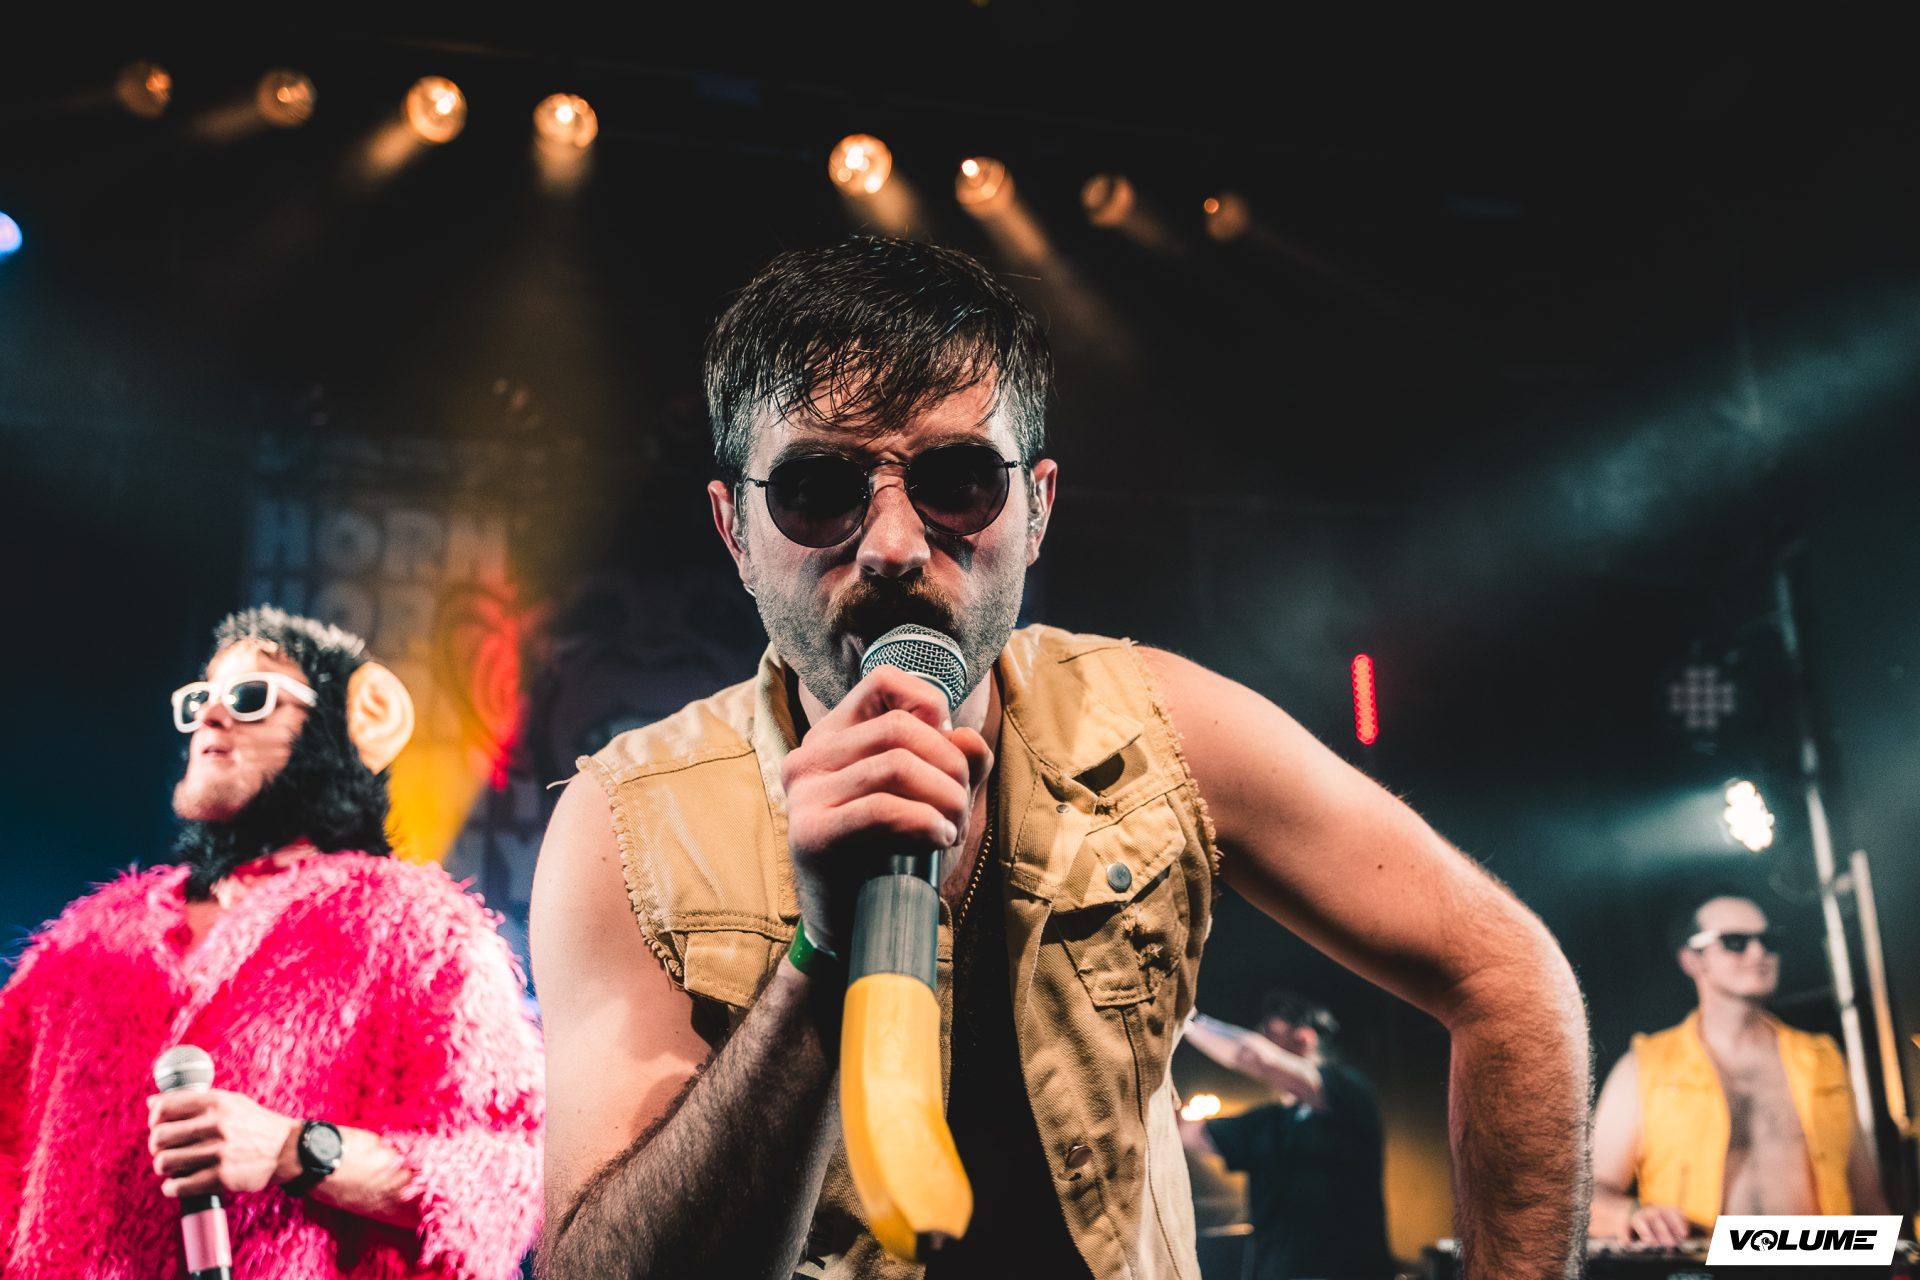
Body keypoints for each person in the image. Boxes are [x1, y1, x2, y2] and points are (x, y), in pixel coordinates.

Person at [531, 234, 1590, 1280]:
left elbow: (1508, 976)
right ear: (734, 530)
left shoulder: (1162, 725)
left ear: (1036, 508)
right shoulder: (628, 823)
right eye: (817, 489)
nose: (894, 544)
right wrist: (820, 962)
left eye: (956, 479)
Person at [0, 607, 544, 1279]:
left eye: (251, 696)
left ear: (339, 728)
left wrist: (296, 1150)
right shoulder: (87, 940)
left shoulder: (418, 928)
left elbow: (506, 1167)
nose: (210, 715)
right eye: (199, 699)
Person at [1589, 892, 1891, 1244]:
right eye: (1735, 942)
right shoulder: (1645, 1066)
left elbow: (1869, 1201)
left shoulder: (1821, 1059)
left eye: (1768, 940)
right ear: (1692, 960)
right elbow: (1587, 1196)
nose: (1758, 953)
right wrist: (1632, 1215)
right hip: (1701, 1261)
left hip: (1818, 1259)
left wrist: (1898, 1264)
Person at [1178, 993, 1394, 1280]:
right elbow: (1184, 1132)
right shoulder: (1267, 1123)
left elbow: (1255, 1057)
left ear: (1303, 1037)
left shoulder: (1350, 1092)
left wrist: (1187, 1021)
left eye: (1269, 1033)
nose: (1258, 1037)